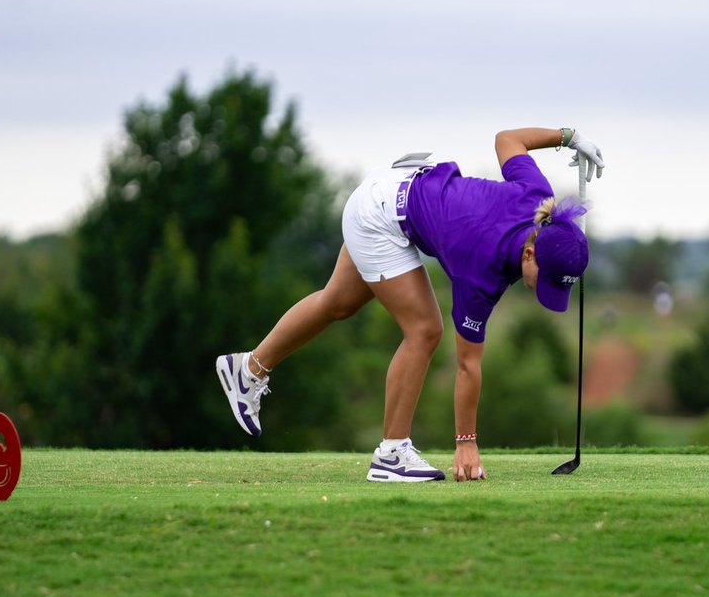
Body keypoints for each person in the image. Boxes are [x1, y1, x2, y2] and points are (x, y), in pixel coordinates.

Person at [215, 127, 605, 483]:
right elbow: (468, 364)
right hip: (381, 215)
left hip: (396, 186)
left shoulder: (539, 199)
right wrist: (466, 442)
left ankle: (247, 368)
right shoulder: (480, 266)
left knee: (337, 303)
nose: (543, 289)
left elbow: (508, 141)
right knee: (424, 330)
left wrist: (568, 137)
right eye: (547, 279)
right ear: (531, 252)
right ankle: (391, 453)